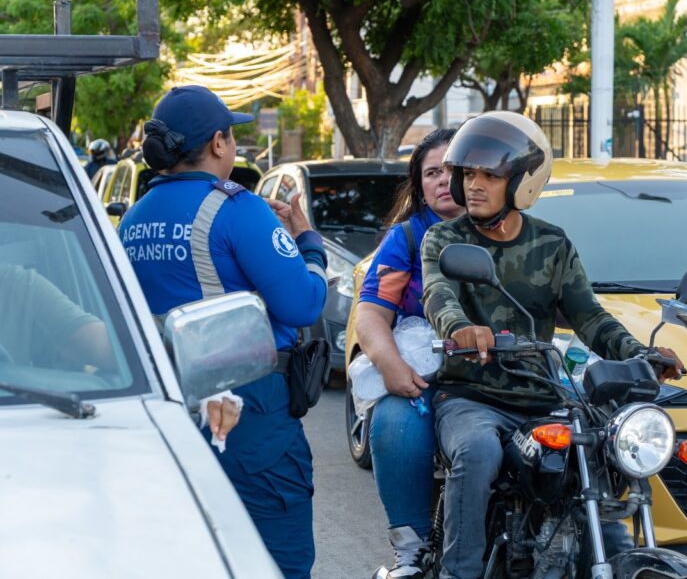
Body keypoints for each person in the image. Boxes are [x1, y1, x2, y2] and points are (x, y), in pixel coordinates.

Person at [420, 112, 685, 579]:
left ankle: (610, 556)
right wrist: (460, 327)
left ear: (522, 183)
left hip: (544, 399)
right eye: (468, 174)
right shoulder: (445, 238)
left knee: (597, 452)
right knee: (478, 451)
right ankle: (458, 572)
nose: (474, 185)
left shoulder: (552, 243)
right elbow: (437, 294)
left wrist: (637, 353)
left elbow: (589, 316)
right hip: (470, 397)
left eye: (489, 175)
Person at [119, 85, 328, 579]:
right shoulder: (236, 207)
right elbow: (303, 303)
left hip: (168, 408)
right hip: (248, 409)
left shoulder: (132, 219)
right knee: (278, 559)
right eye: (231, 135)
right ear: (218, 143)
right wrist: (309, 244)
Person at [354, 128, 462, 579]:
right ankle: (411, 549)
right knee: (395, 422)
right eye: (432, 173)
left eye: (452, 169)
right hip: (426, 376)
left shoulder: (510, 228)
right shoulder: (407, 237)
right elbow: (371, 314)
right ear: (419, 185)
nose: (443, 180)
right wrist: (392, 367)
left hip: (498, 372)